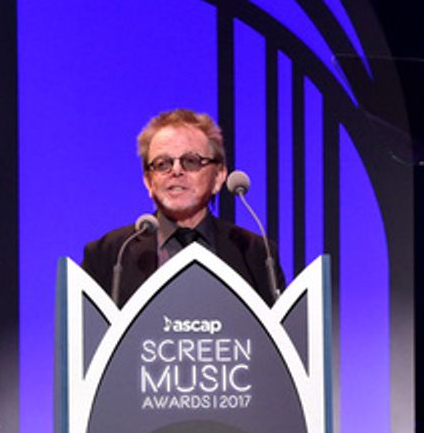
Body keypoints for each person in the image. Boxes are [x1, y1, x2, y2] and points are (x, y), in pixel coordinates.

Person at [82, 108, 279, 306]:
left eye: (191, 161)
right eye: (162, 164)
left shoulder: (256, 253)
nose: (176, 171)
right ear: (149, 182)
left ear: (218, 177)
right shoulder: (108, 255)